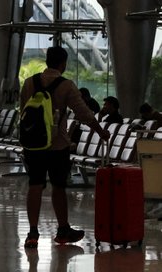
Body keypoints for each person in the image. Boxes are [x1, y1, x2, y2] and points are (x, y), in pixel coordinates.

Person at [20, 45, 110, 248]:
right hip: (57, 145)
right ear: (63, 63)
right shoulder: (66, 85)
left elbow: (23, 111)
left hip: (32, 144)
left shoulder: (28, 83)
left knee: (35, 185)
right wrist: (100, 131)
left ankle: (32, 233)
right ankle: (62, 230)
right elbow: (83, 113)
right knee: (59, 187)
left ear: (47, 61)